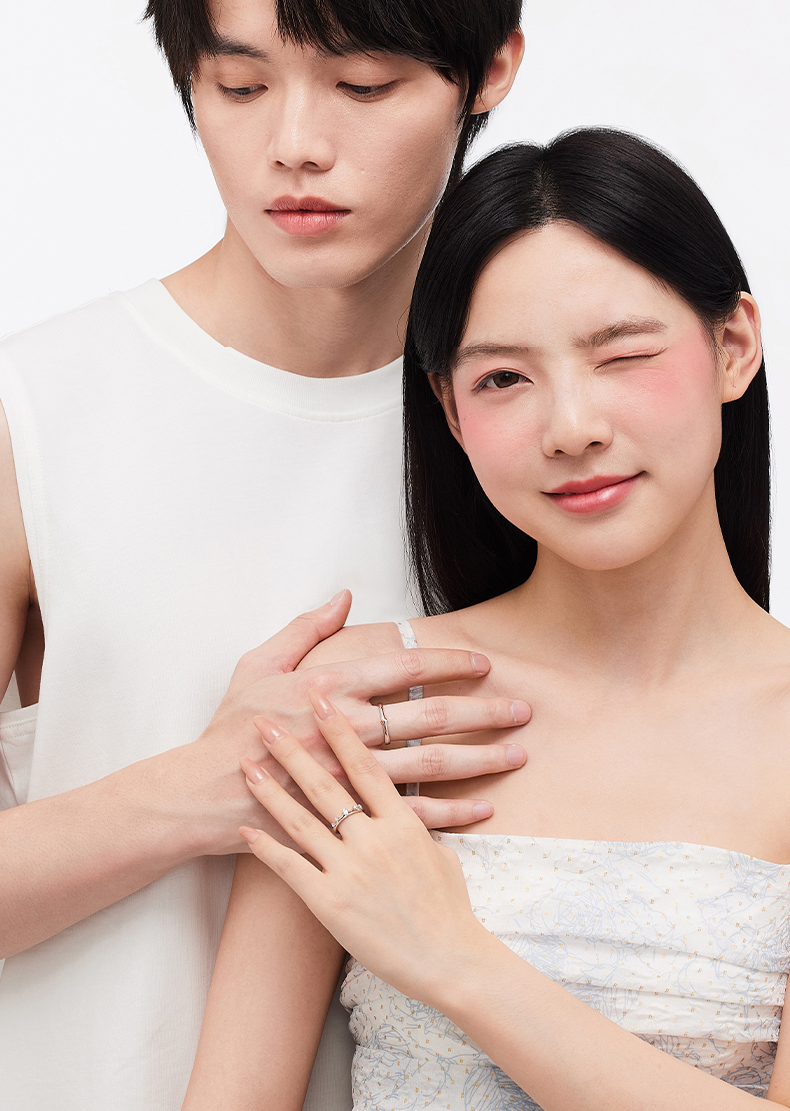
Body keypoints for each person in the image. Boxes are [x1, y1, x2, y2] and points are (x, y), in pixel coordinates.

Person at [185, 128, 790, 1110]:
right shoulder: (369, 701)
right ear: (450, 409)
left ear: (733, 347)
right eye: (503, 378)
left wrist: (454, 957)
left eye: (622, 355)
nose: (572, 428)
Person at [0, 2, 528, 1108]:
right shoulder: (41, 408)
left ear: (489, 71)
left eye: (363, 85)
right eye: (240, 87)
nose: (295, 144)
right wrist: (203, 788)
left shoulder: (544, 440)